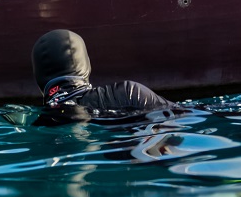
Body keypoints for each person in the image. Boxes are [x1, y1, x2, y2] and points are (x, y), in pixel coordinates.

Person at [31, 29, 173, 125]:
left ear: (39, 76)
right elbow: (182, 116)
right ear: (84, 62)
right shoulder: (128, 93)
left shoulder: (35, 120)